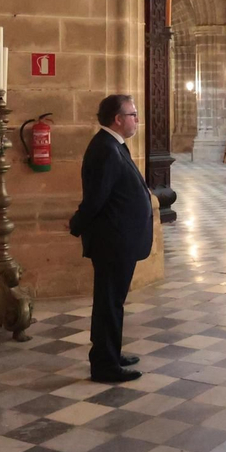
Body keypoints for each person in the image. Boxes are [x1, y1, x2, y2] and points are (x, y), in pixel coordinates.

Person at [69, 94, 154, 383]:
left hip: (119, 239)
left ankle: (110, 353)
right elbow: (96, 198)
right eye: (133, 114)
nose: (137, 120)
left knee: (113, 300)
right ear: (118, 119)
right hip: (112, 241)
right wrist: (77, 224)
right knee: (108, 302)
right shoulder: (106, 149)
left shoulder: (113, 146)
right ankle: (104, 364)